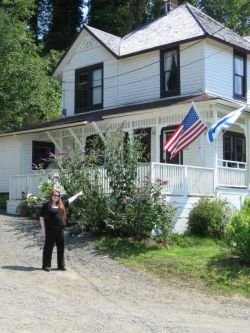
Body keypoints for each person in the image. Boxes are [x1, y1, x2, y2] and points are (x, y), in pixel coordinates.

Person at [40, 189, 83, 272]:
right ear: (51, 196)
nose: (56, 197)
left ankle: (61, 265)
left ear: (59, 197)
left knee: (61, 248)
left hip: (60, 230)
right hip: (50, 230)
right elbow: (41, 218)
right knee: (48, 248)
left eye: (57, 195)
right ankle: (46, 265)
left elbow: (70, 200)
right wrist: (43, 231)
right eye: (54, 195)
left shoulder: (61, 204)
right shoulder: (46, 205)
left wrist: (78, 194)